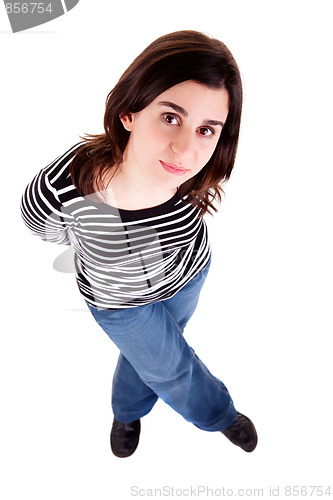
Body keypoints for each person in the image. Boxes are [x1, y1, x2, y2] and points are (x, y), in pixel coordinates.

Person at [21, 30, 257, 458]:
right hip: (120, 301)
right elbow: (41, 224)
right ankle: (219, 415)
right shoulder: (72, 182)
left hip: (187, 276)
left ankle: (127, 409)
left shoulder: (192, 176)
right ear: (130, 112)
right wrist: (86, 245)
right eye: (171, 117)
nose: (186, 149)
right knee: (171, 368)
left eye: (207, 129)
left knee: (153, 355)